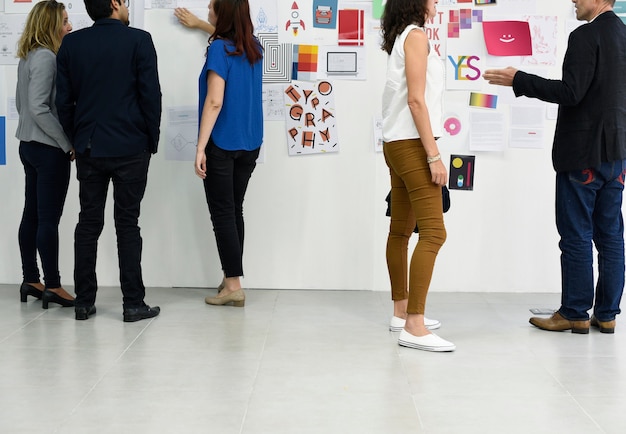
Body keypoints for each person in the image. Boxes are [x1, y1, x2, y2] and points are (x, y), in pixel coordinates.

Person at [483, 0, 626, 334]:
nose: (573, 1)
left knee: (576, 234)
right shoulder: (623, 34)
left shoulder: (585, 35)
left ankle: (574, 312)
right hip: (617, 154)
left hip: (583, 154)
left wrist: (520, 79)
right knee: (611, 235)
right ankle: (606, 313)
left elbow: (570, 92)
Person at [56, 0, 162, 321]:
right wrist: (150, 141)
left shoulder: (72, 44)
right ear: (115, 3)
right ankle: (133, 303)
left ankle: (84, 301)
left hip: (90, 148)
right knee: (127, 224)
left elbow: (63, 102)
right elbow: (151, 96)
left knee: (88, 223)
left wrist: (77, 138)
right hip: (132, 147)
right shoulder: (139, 40)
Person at [381, 0, 455, 352]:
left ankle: (401, 311)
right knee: (434, 232)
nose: (436, 2)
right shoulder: (416, 37)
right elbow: (415, 100)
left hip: (397, 143)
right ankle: (414, 324)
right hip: (412, 145)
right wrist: (434, 155)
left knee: (400, 230)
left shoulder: (404, 36)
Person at [194, 0, 263, 307]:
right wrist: (201, 27)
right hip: (250, 142)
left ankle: (233, 284)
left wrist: (199, 147)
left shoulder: (219, 50)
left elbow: (214, 101)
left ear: (222, 14)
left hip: (221, 142)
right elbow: (231, 39)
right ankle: (230, 278)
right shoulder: (254, 48)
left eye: (211, 7)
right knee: (234, 209)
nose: (208, 10)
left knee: (223, 212)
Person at [16, 0, 76, 309]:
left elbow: (23, 106)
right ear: (50, 24)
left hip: (28, 145)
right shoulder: (47, 58)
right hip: (48, 149)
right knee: (47, 219)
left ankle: (31, 279)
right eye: (65, 21)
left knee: (33, 215)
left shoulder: (27, 56)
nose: (69, 26)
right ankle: (52, 285)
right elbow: (40, 108)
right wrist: (66, 143)